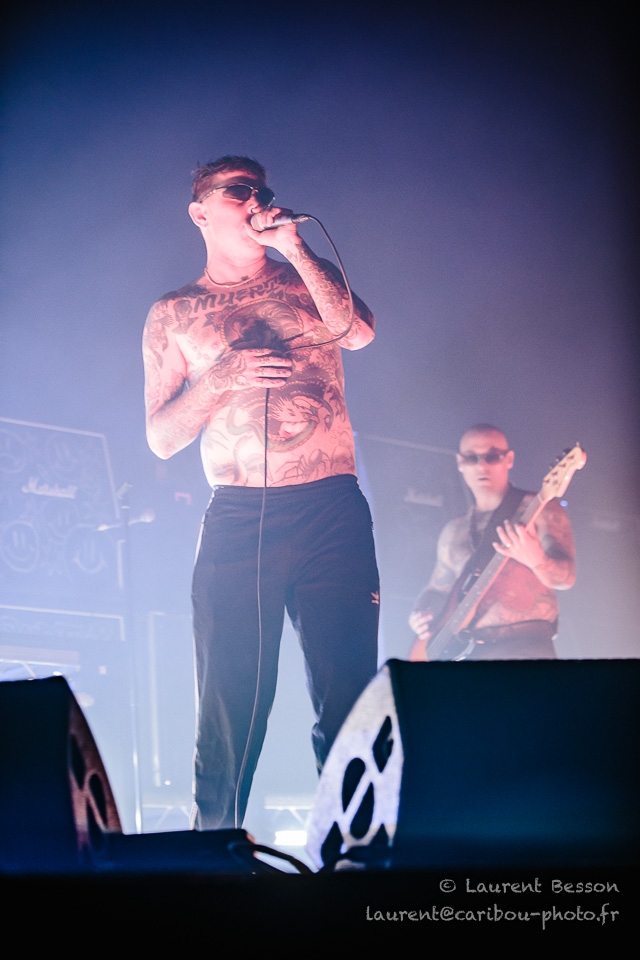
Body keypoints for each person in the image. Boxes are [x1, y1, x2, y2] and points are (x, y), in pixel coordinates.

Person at [143, 156, 379, 830]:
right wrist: (222, 377)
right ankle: (213, 854)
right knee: (230, 700)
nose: (256, 200)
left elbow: (360, 334)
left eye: (261, 189)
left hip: (330, 507)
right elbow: (161, 438)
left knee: (347, 694)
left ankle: (356, 850)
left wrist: (296, 248)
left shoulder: (306, 274)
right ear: (200, 212)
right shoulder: (173, 314)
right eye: (239, 191)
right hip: (240, 515)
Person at [408, 424, 575, 661]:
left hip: (527, 649)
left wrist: (536, 558)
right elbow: (437, 589)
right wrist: (422, 612)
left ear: (509, 459)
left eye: (492, 456)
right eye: (472, 458)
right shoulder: (453, 531)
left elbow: (566, 578)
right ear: (460, 462)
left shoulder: (542, 509)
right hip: (467, 653)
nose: (481, 466)